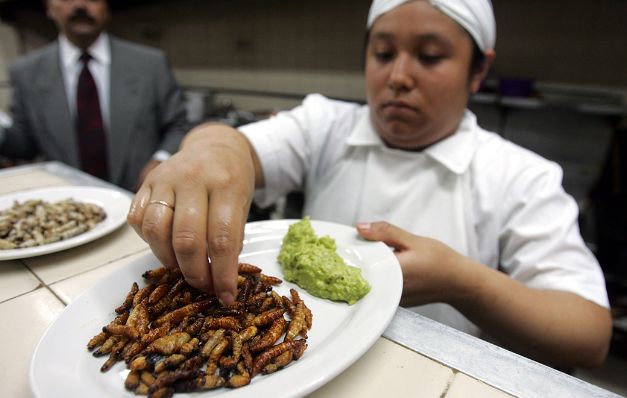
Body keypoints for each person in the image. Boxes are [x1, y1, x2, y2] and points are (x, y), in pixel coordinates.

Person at [127, 0, 612, 368]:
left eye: (430, 56)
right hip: (312, 357)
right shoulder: (326, 126)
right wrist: (215, 149)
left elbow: (589, 334)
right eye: (383, 53)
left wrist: (462, 283)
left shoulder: (520, 175)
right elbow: (234, 145)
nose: (398, 77)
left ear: (479, 70)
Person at [0, 0, 189, 191]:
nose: (80, 4)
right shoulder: (26, 72)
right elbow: (23, 145)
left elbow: (178, 125)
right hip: (69, 205)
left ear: (106, 8)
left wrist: (161, 159)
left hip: (137, 197)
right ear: (49, 8)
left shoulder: (151, 64)